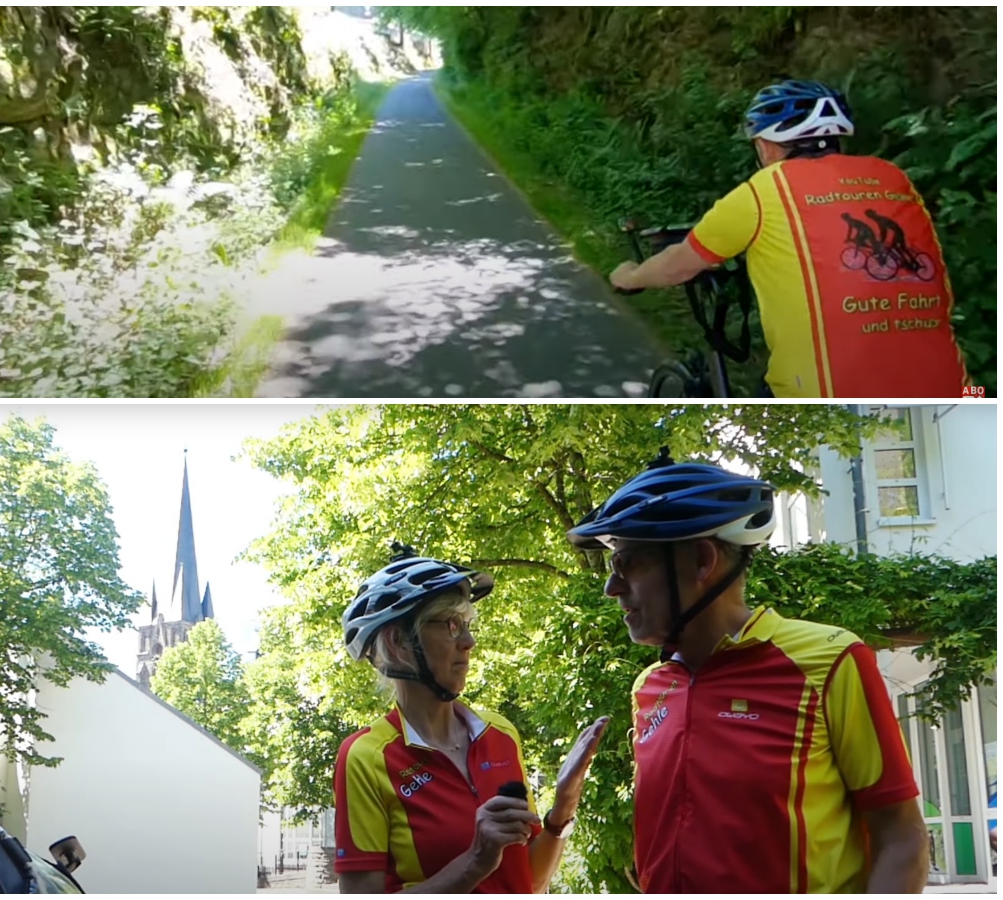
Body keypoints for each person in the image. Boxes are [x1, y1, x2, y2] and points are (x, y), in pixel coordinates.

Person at [566, 449, 930, 893]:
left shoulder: (830, 660)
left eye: (628, 563)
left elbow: (902, 835)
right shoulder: (651, 687)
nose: (611, 588)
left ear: (701, 561)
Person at [608, 79, 968, 399]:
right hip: (956, 389)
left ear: (765, 145)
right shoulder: (893, 177)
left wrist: (630, 276)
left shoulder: (764, 190)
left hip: (829, 394)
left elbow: (676, 267)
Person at [334, 544, 607, 893]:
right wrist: (476, 861)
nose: (469, 641)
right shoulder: (366, 757)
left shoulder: (501, 734)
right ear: (399, 642)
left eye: (467, 625)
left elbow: (529, 882)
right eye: (451, 625)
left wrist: (563, 806)